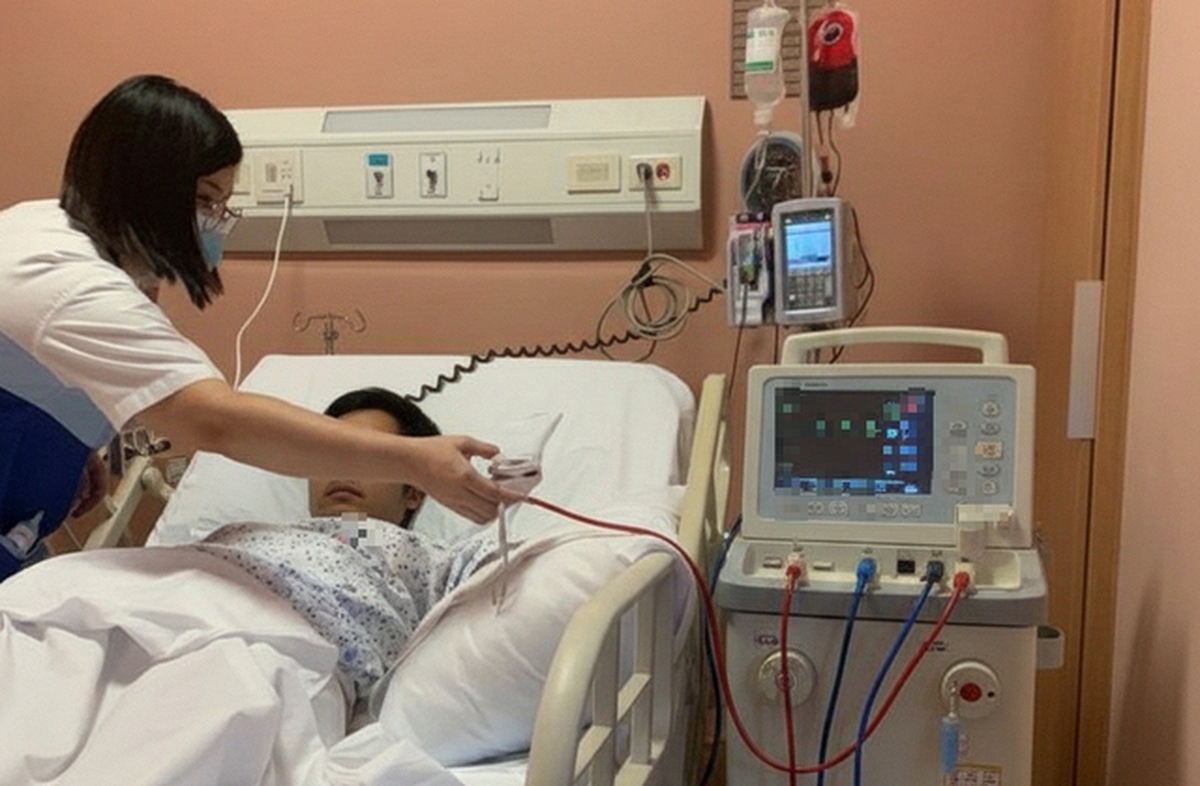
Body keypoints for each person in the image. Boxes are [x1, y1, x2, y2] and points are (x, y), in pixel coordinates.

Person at [0, 75, 509, 583]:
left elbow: (57, 368)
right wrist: (414, 460)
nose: (216, 221)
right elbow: (216, 421)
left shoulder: (53, 234)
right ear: (144, 190)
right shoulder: (67, 283)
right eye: (205, 200)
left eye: (221, 203)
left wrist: (73, 444)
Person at [196, 387, 505, 712]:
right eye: (332, 455)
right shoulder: (248, 534)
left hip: (281, 655)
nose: (342, 470)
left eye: (368, 459)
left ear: (414, 491)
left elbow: (510, 583)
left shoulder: (425, 557)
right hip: (185, 603)